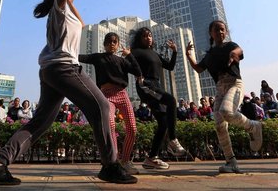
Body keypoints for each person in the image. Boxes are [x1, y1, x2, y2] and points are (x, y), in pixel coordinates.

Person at [0, 0, 137, 185]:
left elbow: (81, 25)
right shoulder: (58, 8)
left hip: (51, 71)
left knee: (40, 122)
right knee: (102, 106)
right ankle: (111, 166)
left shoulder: (67, 12)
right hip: (64, 68)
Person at [185, 20, 262, 174]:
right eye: (216, 30)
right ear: (210, 33)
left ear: (225, 32)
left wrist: (234, 54)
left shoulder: (230, 46)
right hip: (220, 88)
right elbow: (199, 69)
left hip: (234, 84)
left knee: (227, 111)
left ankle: (254, 126)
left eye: (222, 30)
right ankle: (231, 162)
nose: (220, 32)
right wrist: (189, 56)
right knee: (219, 125)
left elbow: (239, 50)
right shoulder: (209, 54)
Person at [79, 32, 143, 174]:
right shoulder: (98, 57)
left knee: (132, 128)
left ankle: (125, 161)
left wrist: (129, 55)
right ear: (104, 44)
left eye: (114, 41)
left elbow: (138, 71)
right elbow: (81, 57)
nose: (112, 44)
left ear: (118, 44)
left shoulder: (122, 61)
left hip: (122, 94)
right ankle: (115, 161)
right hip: (106, 96)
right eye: (108, 41)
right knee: (111, 125)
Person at [131, 27, 187, 170]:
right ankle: (173, 139)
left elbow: (170, 66)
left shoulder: (154, 54)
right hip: (146, 84)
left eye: (149, 35)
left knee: (163, 123)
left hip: (156, 86)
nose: (148, 38)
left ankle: (151, 158)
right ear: (139, 39)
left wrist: (175, 51)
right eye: (144, 36)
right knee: (171, 101)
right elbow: (127, 65)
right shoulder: (136, 52)